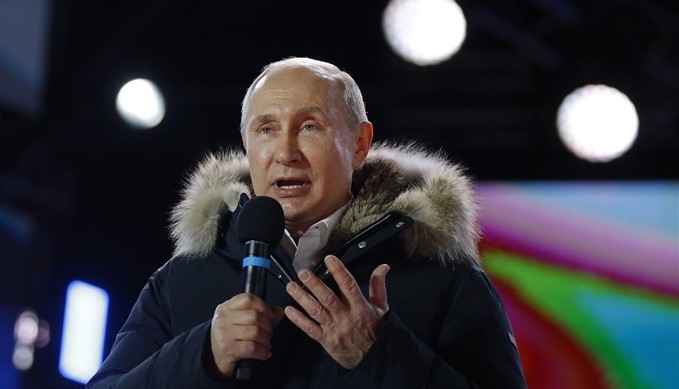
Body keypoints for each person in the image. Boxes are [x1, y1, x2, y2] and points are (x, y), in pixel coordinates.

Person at [88, 57, 526, 388]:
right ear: (246, 143)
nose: (285, 152)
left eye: (310, 126)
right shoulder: (181, 279)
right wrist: (203, 353)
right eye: (266, 129)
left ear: (358, 144)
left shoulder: (446, 279)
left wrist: (382, 355)